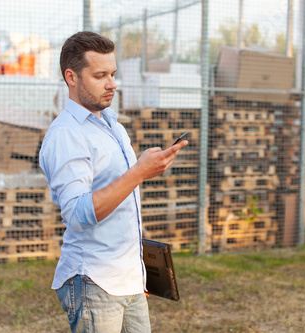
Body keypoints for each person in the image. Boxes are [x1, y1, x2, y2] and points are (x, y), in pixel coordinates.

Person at [39, 31, 188, 333]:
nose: (112, 84)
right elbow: (79, 214)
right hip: (94, 281)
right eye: (100, 75)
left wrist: (136, 274)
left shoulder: (113, 126)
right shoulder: (67, 135)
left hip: (128, 279)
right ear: (71, 77)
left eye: (113, 74)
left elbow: (123, 200)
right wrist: (139, 172)